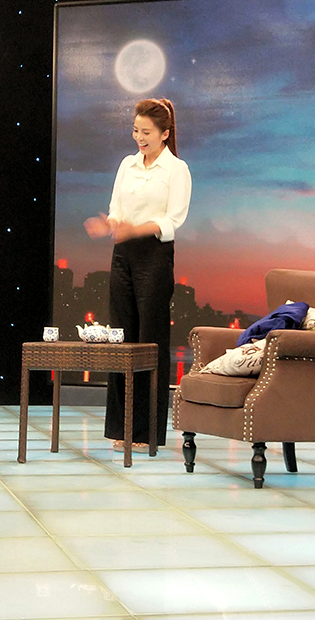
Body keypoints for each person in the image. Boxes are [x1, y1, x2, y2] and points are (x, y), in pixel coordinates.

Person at [85, 98, 192, 450]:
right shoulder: (127, 165)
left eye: (146, 132)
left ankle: (146, 433)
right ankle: (121, 429)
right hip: (123, 255)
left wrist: (135, 229)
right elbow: (116, 209)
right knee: (121, 339)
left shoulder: (177, 170)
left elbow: (172, 220)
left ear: (165, 133)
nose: (139, 138)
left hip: (154, 257)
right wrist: (110, 224)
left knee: (149, 343)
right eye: (135, 130)